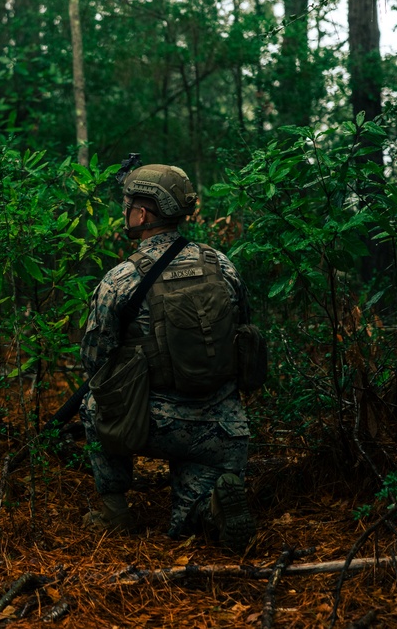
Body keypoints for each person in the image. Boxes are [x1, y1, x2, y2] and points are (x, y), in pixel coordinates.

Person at [79, 163, 256, 553]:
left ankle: (114, 512)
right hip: (225, 429)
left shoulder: (121, 278)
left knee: (94, 403)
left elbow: (94, 360)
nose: (124, 212)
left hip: (158, 426)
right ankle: (211, 510)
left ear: (142, 214)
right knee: (187, 521)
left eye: (127, 205)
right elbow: (243, 331)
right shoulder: (221, 264)